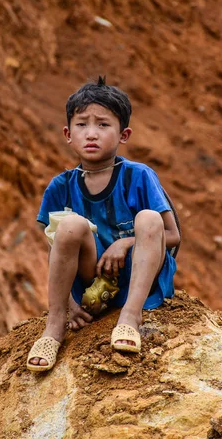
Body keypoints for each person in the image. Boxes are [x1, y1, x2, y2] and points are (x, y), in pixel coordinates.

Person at [27, 76, 180, 372]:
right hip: (90, 285)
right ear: (68, 134)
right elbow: (56, 248)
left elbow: (171, 235)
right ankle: (54, 327)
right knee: (69, 226)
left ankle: (129, 317)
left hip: (136, 278)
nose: (91, 134)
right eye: (82, 124)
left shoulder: (138, 176)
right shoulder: (61, 186)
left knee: (148, 218)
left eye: (103, 125)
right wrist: (72, 304)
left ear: (124, 135)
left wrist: (125, 243)